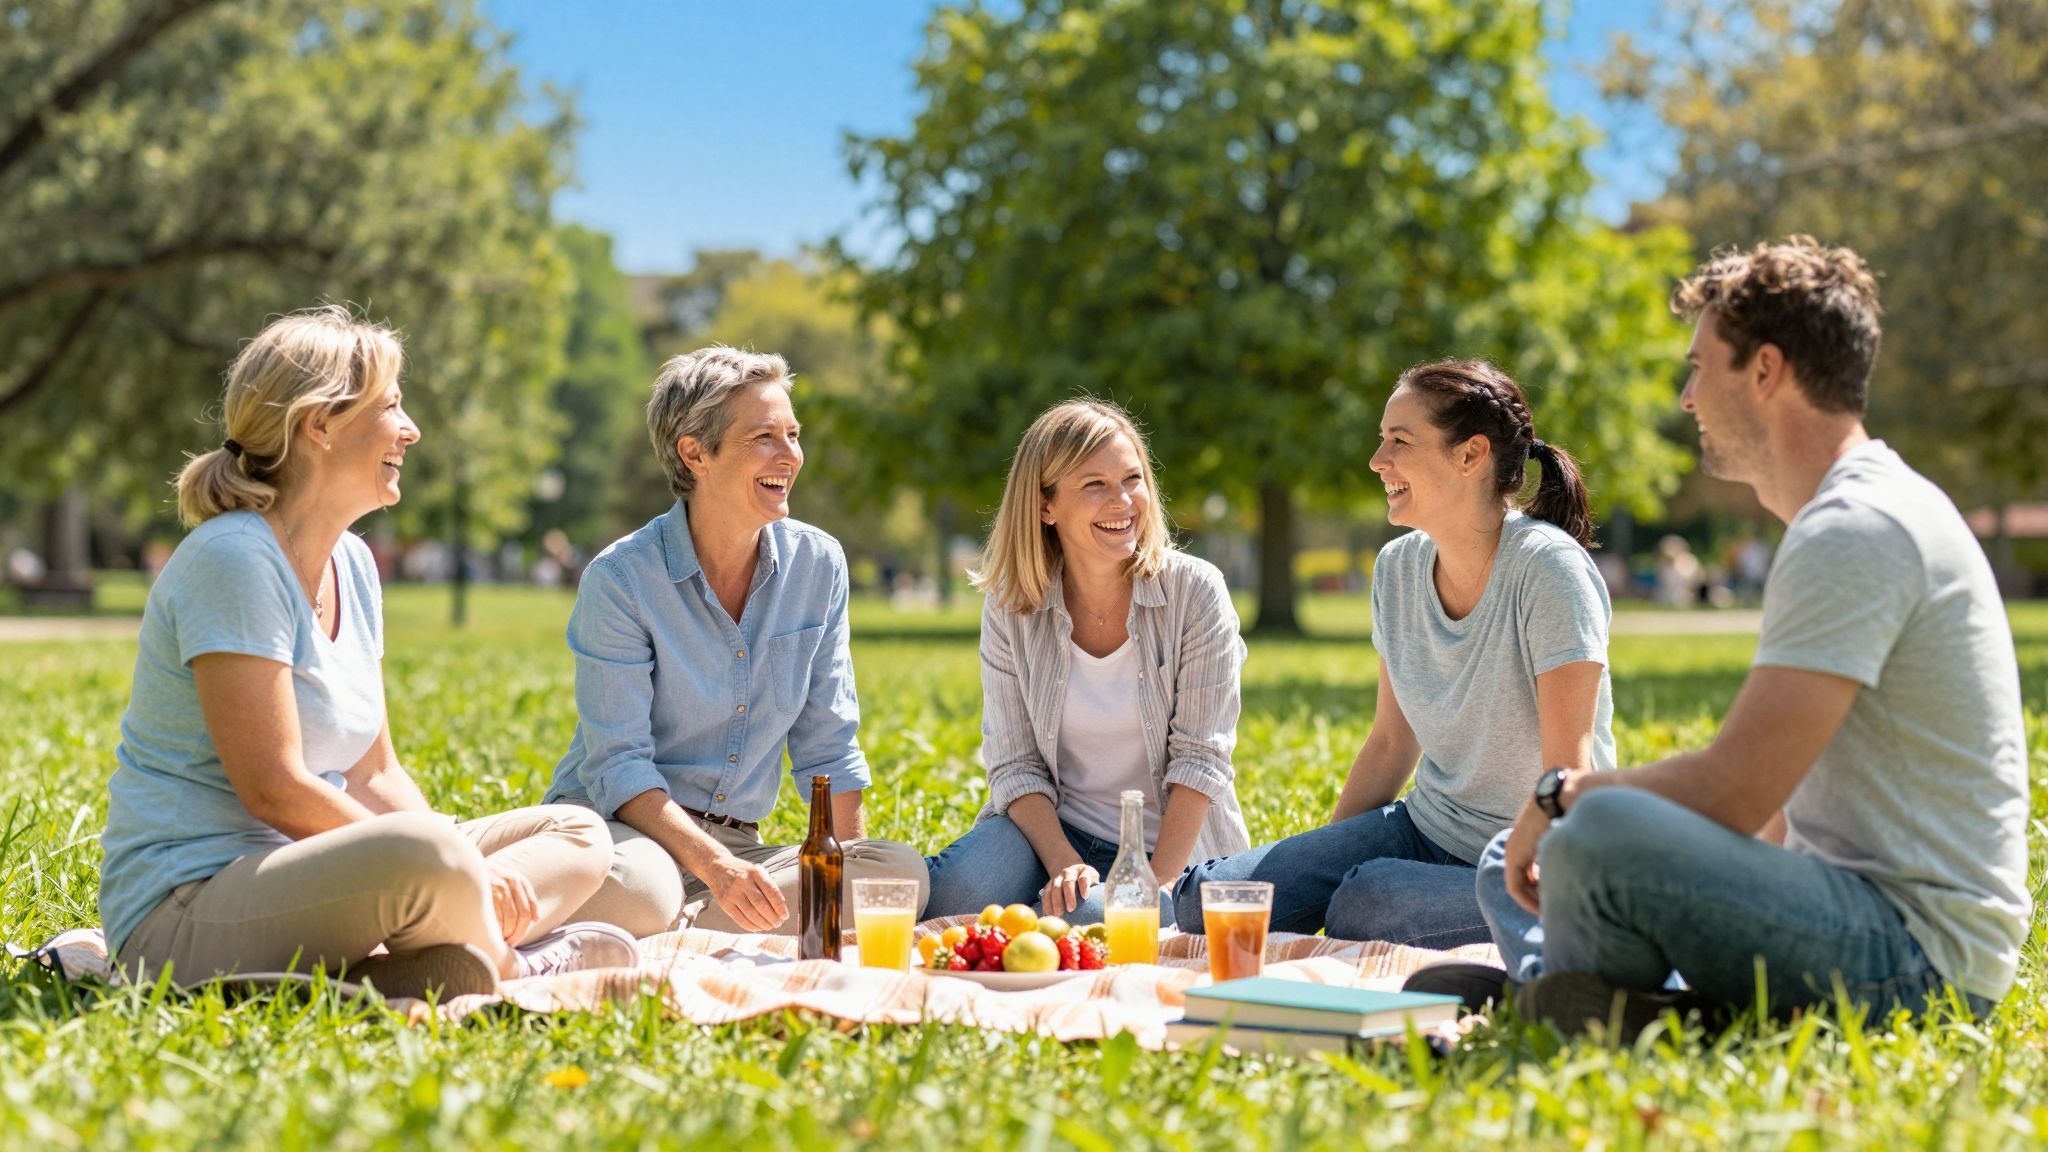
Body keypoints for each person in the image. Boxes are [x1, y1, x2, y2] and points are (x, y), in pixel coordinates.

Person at [1454, 237, 2029, 1035]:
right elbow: (1779, 810)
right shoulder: (1849, 515)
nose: (1687, 397)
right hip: (1853, 914)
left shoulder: (1856, 527)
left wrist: (1562, 794)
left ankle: (1584, 1001)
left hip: (1916, 961)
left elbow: (1735, 790)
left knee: (1594, 829)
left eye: (1699, 367)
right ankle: (1624, 999)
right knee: (1512, 856)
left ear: (1765, 371)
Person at [100, 306, 636, 999]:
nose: (410, 430)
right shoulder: (233, 559)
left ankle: (402, 962)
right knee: (433, 857)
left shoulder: (352, 562)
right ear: (318, 425)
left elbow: (375, 771)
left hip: (315, 877)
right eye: (391, 407)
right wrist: (450, 866)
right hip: (183, 913)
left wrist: (453, 859)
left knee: (578, 831)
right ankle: (514, 971)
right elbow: (273, 787)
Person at [1173, 360, 1613, 949]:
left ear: (1470, 454)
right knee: (1208, 901)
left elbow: (1568, 770)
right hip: (1425, 828)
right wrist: (1314, 864)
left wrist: (1340, 889)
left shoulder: (1547, 570)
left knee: (1366, 901)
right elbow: (1389, 743)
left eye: (1399, 442)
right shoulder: (1398, 568)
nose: (1378, 460)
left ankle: (1561, 916)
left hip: (1533, 858)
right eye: (1382, 440)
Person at [546, 347, 927, 937]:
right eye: (764, 438)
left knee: (897, 875)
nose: (790, 456)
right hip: (624, 835)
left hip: (740, 849)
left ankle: (681, 929)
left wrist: (849, 873)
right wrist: (715, 868)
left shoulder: (818, 564)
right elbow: (619, 767)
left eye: (793, 434)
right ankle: (675, 918)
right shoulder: (621, 579)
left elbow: (828, 740)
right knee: (643, 889)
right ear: (695, 453)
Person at [923, 400, 1251, 925]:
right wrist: (1064, 866)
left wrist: (1157, 888)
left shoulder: (1196, 591)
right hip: (1054, 834)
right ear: (1045, 506)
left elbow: (1200, 760)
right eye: (1094, 484)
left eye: (1132, 478)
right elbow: (1015, 765)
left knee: (1094, 920)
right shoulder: (1012, 605)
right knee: (951, 898)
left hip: (1164, 849)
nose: (1123, 501)